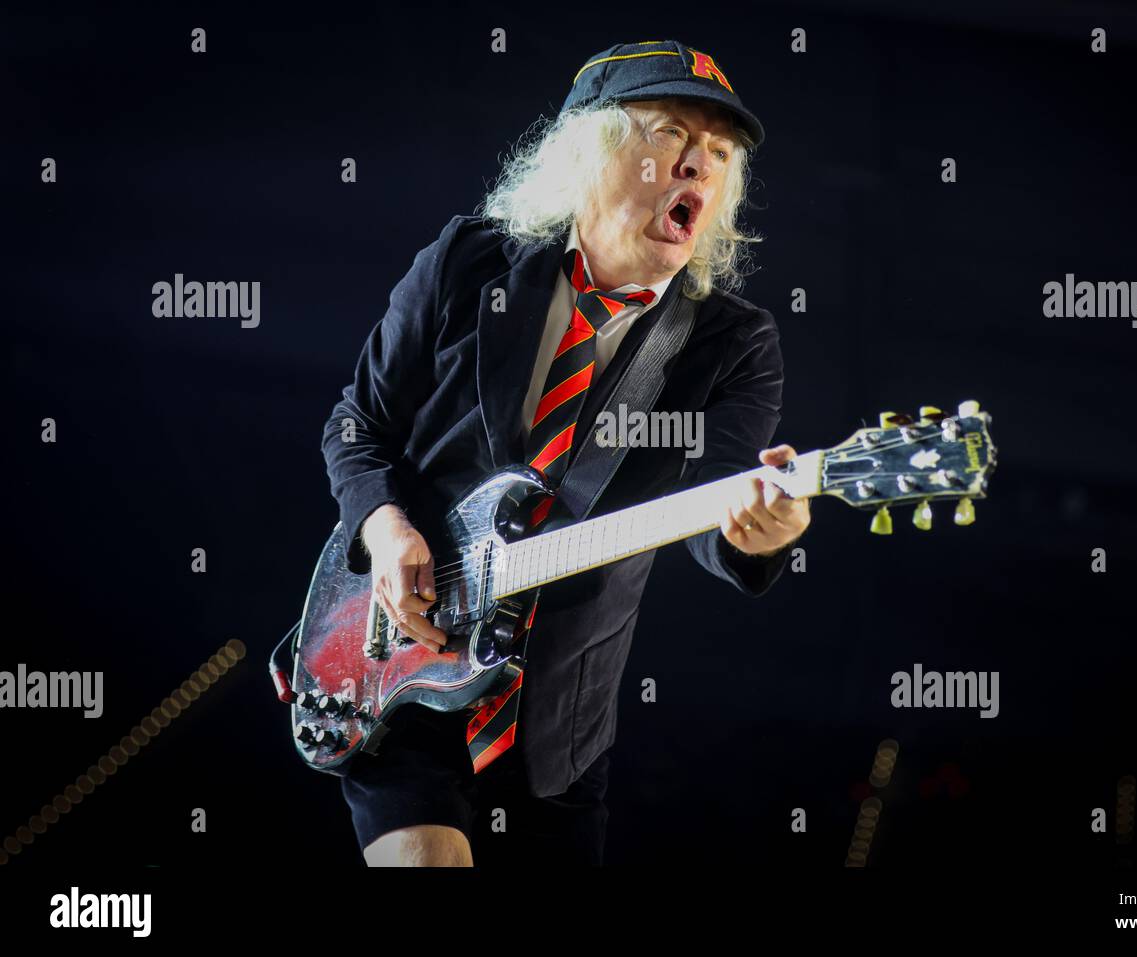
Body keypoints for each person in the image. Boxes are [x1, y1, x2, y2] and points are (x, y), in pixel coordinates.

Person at [321, 40, 810, 866]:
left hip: (555, 732)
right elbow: (354, 423)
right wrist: (383, 526)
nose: (699, 164)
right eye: (666, 133)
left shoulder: (732, 344)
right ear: (589, 154)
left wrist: (761, 526)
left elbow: (718, 497)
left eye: (720, 154)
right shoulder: (465, 264)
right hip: (398, 669)